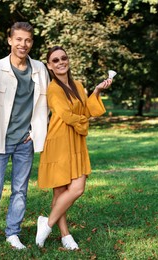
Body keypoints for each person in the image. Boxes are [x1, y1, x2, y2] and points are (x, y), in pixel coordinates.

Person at [0, 22, 50, 252]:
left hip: (24, 143)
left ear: (32, 43)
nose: (23, 44)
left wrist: (35, 132)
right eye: (18, 39)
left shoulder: (39, 69)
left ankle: (13, 233)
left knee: (20, 190)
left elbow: (45, 105)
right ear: (9, 40)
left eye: (27, 40)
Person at [35, 46, 112, 250]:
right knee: (59, 191)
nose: (61, 62)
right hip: (59, 142)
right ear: (50, 66)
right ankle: (65, 236)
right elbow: (66, 115)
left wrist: (96, 91)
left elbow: (85, 109)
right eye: (55, 60)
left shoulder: (77, 85)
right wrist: (84, 121)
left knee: (77, 188)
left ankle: (46, 223)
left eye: (63, 58)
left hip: (76, 140)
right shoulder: (53, 88)